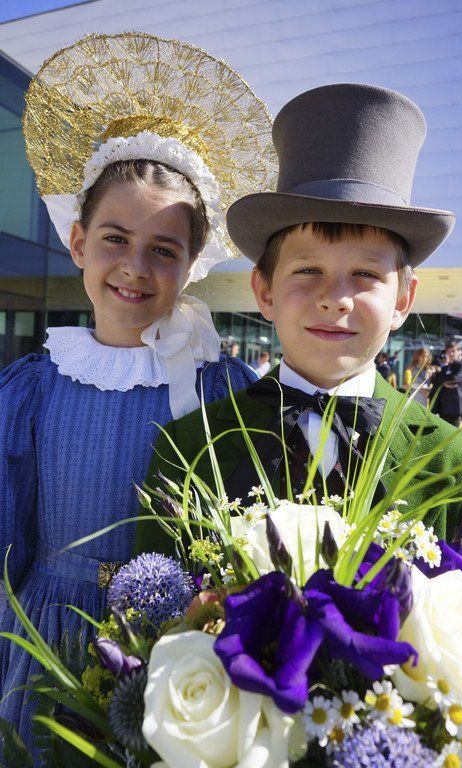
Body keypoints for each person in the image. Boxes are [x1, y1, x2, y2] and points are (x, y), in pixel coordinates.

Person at [0, 32, 274, 752]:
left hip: (173, 656)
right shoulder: (32, 389)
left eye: (163, 249)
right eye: (115, 239)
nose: (135, 266)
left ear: (192, 264)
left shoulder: (221, 390)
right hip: (46, 644)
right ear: (78, 243)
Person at [136, 83, 462, 571]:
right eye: (308, 270)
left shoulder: (454, 460)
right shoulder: (188, 447)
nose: (335, 298)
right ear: (265, 291)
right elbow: (154, 612)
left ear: (403, 301)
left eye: (366, 274)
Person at [430, 342, 462, 430]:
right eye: (449, 351)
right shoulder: (445, 368)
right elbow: (435, 380)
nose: (451, 353)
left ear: (458, 352)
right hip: (442, 408)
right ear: (446, 353)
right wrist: (444, 382)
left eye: (453, 351)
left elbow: (455, 377)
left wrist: (442, 381)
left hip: (455, 408)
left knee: (453, 433)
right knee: (443, 432)